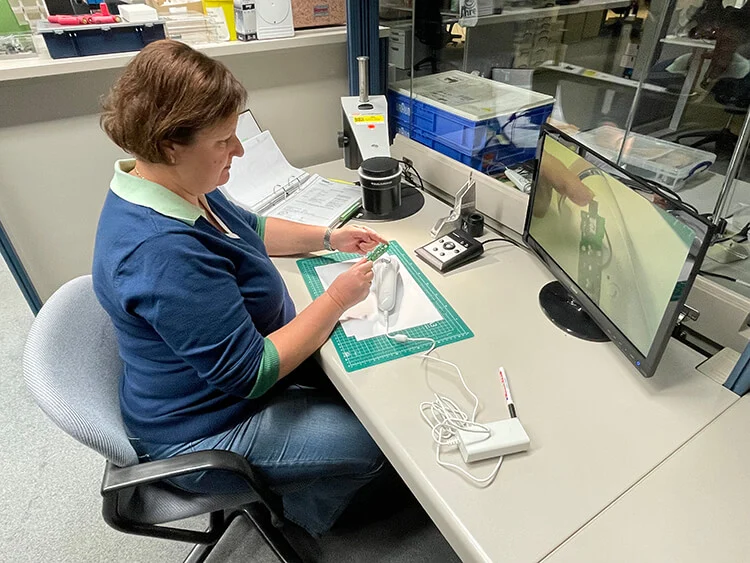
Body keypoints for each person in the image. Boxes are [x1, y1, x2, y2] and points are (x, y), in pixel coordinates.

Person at [93, 39, 394, 536]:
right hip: (206, 431)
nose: (238, 149)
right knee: (379, 444)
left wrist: (328, 237)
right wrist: (337, 300)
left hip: (219, 393)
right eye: (223, 141)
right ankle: (299, 522)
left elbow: (250, 229)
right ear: (172, 143)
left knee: (365, 396)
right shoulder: (161, 252)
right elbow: (249, 373)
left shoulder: (172, 184)